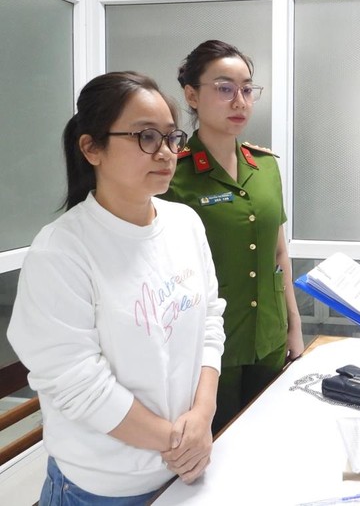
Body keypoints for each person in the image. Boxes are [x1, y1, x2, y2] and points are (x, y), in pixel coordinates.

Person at [7, 71, 226, 504]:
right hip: (104, 488)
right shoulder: (61, 251)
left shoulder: (184, 225)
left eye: (171, 137)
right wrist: (177, 443)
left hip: (186, 472)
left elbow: (210, 324)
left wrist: (202, 417)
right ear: (92, 148)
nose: (166, 153)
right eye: (146, 136)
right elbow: (79, 383)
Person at [162, 40, 304, 434]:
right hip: (207, 350)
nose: (239, 100)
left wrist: (294, 326)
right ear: (192, 95)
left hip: (269, 337)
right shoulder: (172, 175)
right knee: (215, 451)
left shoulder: (266, 167)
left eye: (246, 89)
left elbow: (279, 252)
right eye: (224, 88)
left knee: (267, 441)